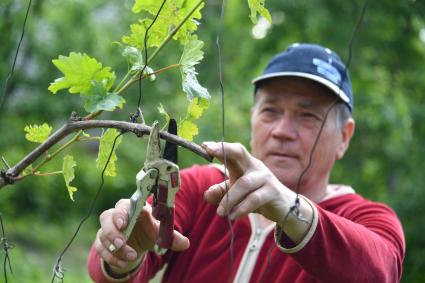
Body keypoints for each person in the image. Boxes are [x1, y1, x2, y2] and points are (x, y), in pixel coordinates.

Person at [87, 43, 405, 283]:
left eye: (308, 115)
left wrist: (288, 208)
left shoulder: (368, 218)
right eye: (270, 111)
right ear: (253, 118)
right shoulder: (200, 186)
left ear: (344, 137)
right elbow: (114, 267)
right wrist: (122, 252)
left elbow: (380, 271)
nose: (282, 131)